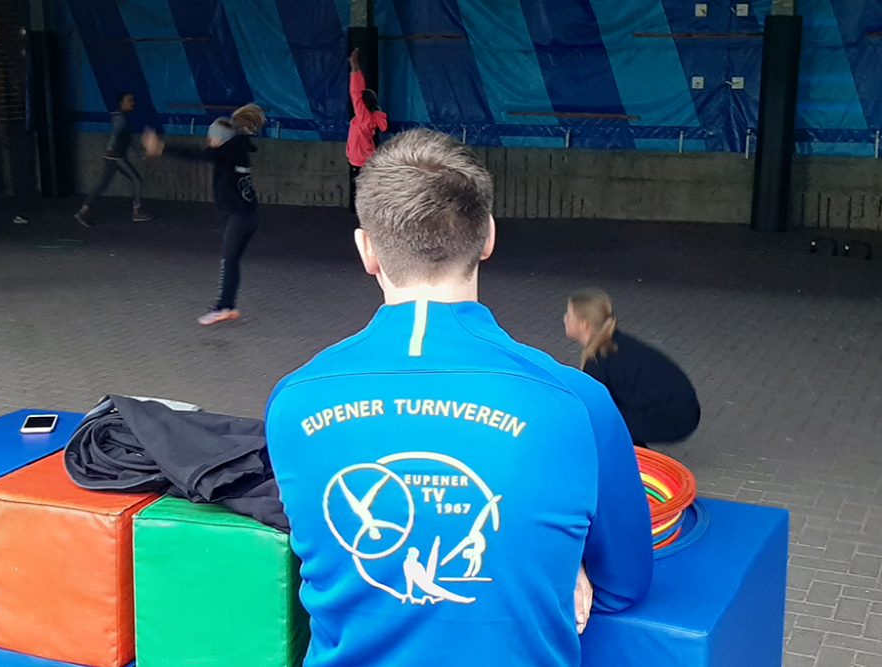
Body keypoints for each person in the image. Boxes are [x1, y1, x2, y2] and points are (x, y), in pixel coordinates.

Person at [265, 129, 652, 666]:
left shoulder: (293, 401)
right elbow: (627, 584)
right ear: (488, 236)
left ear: (367, 250)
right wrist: (566, 562)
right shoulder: (579, 403)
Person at [142, 104, 265, 326]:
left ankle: (224, 307)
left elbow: (195, 154)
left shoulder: (227, 152)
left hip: (241, 217)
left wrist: (161, 148)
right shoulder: (236, 150)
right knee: (232, 260)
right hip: (246, 215)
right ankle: (227, 306)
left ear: (219, 140)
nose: (209, 143)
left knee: (228, 260)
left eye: (211, 139)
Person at [564, 288, 701, 447]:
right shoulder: (615, 344)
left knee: (599, 418)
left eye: (569, 315)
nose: (565, 319)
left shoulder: (599, 360)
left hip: (676, 418)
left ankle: (635, 461)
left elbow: (589, 411)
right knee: (608, 412)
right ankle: (636, 452)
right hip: (684, 411)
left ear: (585, 325)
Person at [75, 92, 154, 227]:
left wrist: (139, 151)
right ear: (122, 102)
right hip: (116, 157)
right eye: (129, 100)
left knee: (102, 185)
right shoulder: (120, 119)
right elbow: (115, 135)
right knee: (136, 180)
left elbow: (128, 139)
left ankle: (83, 211)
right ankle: (136, 212)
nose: (132, 103)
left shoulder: (122, 117)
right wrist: (110, 150)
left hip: (113, 157)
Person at [346, 48, 387, 213]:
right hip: (362, 159)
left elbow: (355, 93)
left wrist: (355, 68)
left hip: (361, 160)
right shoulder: (367, 118)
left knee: (365, 190)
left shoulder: (364, 117)